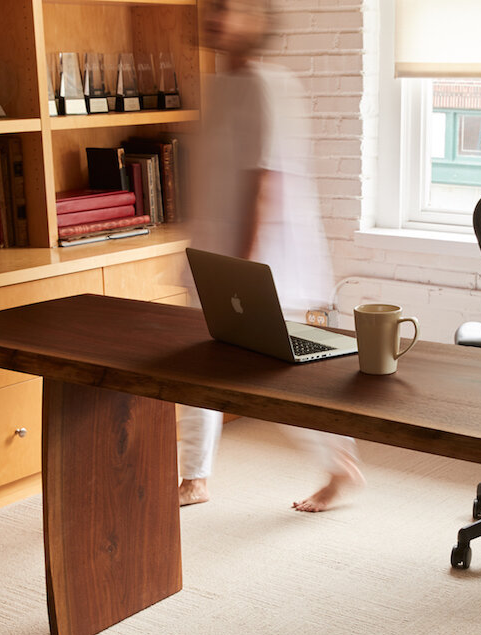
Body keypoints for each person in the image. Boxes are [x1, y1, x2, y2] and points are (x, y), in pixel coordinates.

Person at [178, 0, 363, 512]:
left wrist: (241, 270)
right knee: (197, 366)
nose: (214, 17)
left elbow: (265, 181)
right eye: (212, 8)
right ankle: (194, 476)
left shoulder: (266, 85)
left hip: (267, 261)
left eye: (228, 9)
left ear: (257, 21)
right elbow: (214, 179)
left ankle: (339, 466)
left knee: (287, 381)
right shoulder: (219, 85)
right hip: (218, 253)